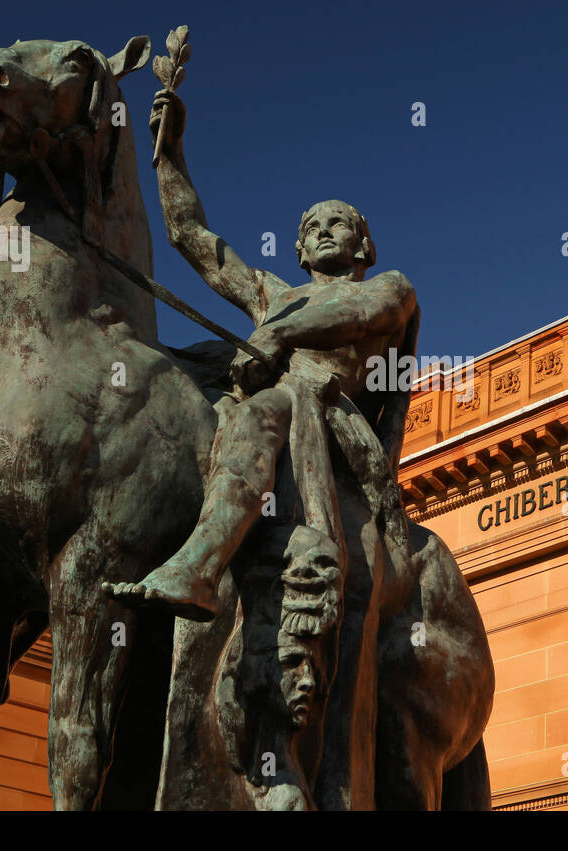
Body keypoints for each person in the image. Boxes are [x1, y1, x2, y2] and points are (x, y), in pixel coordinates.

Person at [103, 88, 419, 621]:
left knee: (265, 407)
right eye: (310, 227)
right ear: (297, 252)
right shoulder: (274, 293)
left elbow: (363, 317)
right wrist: (171, 151)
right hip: (271, 402)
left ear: (364, 246)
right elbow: (191, 236)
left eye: (337, 223)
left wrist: (278, 337)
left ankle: (200, 568)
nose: (322, 230)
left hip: (329, 421)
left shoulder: (389, 287)